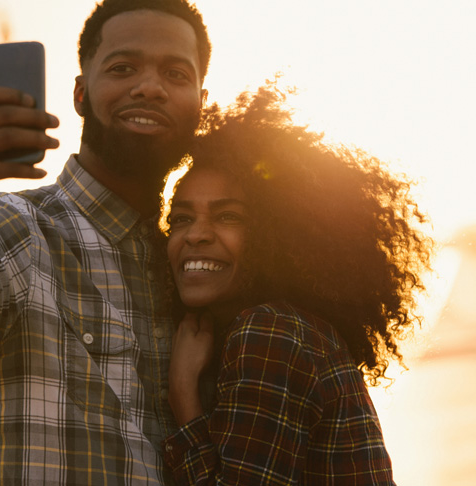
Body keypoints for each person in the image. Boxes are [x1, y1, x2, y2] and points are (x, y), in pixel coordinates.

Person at [0, 0, 211, 484]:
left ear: (201, 102)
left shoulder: (190, 268)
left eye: (176, 74)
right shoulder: (20, 228)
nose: (149, 87)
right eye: (123, 67)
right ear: (79, 94)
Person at [160, 87, 434, 484]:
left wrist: (182, 394)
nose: (195, 235)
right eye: (180, 219)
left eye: (229, 217)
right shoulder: (293, 330)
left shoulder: (271, 333)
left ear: (278, 234)